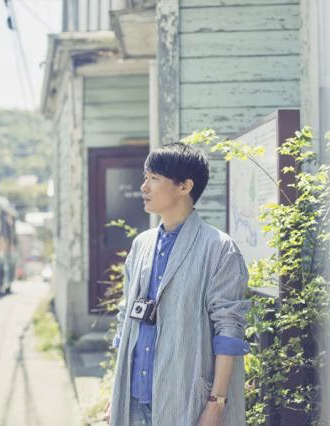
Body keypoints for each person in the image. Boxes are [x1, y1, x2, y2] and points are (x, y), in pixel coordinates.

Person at [107, 143, 250, 426]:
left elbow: (228, 330)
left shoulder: (219, 248)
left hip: (186, 400)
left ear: (185, 186)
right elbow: (126, 320)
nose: (144, 187)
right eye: (145, 177)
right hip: (134, 401)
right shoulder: (142, 245)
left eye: (154, 178)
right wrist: (117, 393)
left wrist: (216, 405)